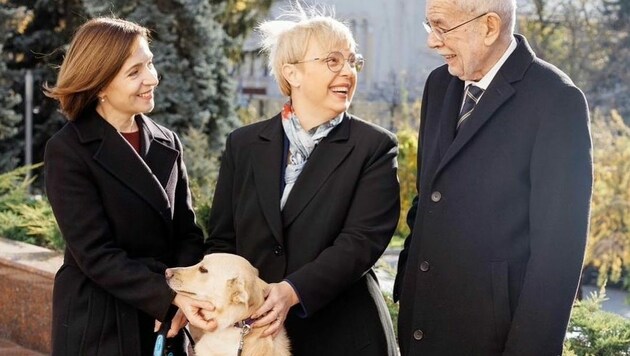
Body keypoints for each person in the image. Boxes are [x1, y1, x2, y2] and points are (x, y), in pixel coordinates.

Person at [393, 0, 593, 355]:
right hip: (420, 325)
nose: (432, 42)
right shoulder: (439, 84)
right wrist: (407, 283)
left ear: (489, 27)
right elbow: (430, 195)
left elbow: (558, 253)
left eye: (442, 27)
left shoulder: (557, 100)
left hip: (492, 339)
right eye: (429, 26)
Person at [204, 3, 400, 356]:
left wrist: (292, 290)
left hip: (343, 335)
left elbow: (361, 242)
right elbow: (223, 240)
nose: (347, 72)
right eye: (332, 61)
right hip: (257, 340)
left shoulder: (374, 146)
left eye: (352, 61)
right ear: (291, 73)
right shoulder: (244, 145)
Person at [43, 17, 214, 355]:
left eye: (149, 64)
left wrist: (182, 299)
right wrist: (167, 296)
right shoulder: (68, 150)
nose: (151, 78)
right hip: (101, 323)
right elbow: (96, 254)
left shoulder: (168, 141)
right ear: (100, 85)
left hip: (167, 318)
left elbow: (188, 234)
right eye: (134, 72)